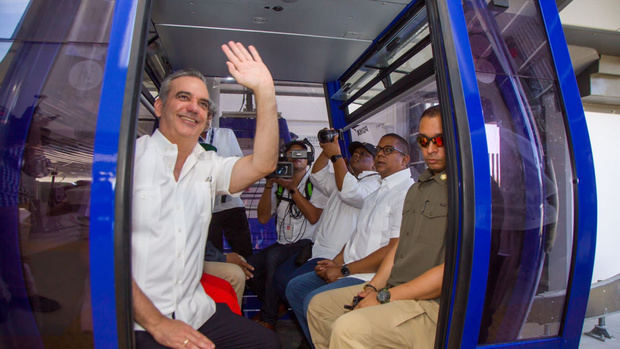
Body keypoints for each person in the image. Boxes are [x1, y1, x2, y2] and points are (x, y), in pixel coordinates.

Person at [131, 42, 280, 349]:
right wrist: (157, 324)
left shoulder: (208, 165)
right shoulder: (128, 162)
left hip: (195, 312)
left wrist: (265, 90)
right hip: (139, 319)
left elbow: (264, 163)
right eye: (183, 97)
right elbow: (97, 254)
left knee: (266, 343)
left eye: (202, 103)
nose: (193, 108)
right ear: (159, 106)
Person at [307, 105, 447, 349]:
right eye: (424, 141)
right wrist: (373, 288)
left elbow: (450, 271)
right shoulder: (418, 189)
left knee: (347, 328)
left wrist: (382, 295)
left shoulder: (467, 190)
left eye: (439, 140)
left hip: (430, 303)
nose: (431, 149)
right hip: (393, 287)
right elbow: (398, 247)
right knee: (318, 307)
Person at [286, 133, 414, 344]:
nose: (381, 154)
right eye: (380, 149)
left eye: (388, 150)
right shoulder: (377, 193)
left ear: (405, 160)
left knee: (313, 301)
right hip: (350, 268)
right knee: (296, 288)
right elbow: (357, 236)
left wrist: (343, 270)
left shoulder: (405, 193)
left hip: (371, 277)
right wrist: (335, 262)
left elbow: (394, 250)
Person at [274, 134, 380, 299]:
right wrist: (326, 148)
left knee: (293, 285)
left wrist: (336, 156)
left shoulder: (374, 185)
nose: (357, 155)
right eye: (355, 153)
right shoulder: (345, 179)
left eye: (364, 154)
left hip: (335, 255)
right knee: (281, 277)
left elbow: (351, 193)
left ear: (375, 165)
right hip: (317, 249)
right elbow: (317, 174)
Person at [247, 140, 328, 330]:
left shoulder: (315, 183)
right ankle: (277, 304)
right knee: (249, 267)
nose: (296, 159)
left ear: (308, 159)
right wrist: (269, 185)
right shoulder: (280, 183)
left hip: (306, 244)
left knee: (274, 258)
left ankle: (269, 318)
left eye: (300, 154)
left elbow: (314, 217)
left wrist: (293, 189)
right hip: (284, 243)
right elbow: (263, 217)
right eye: (292, 154)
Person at [199, 105, 253, 258]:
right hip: (205, 207)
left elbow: (238, 164)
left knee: (244, 252)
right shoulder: (187, 140)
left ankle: (248, 282)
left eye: (210, 115)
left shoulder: (225, 134)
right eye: (204, 115)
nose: (207, 119)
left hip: (231, 203)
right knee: (213, 255)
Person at [203, 240, 254, 309]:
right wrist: (223, 258)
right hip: (189, 264)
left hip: (200, 256)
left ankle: (236, 314)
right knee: (235, 273)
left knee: (241, 262)